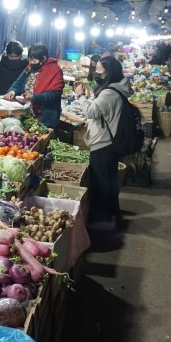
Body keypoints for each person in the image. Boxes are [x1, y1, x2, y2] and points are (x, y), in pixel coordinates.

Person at [72, 56, 130, 232]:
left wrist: (81, 96)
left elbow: (91, 111)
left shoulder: (110, 93)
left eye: (98, 69)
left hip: (103, 143)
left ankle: (102, 224)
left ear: (108, 72)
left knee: (101, 184)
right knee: (110, 182)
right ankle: (113, 217)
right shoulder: (115, 88)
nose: (95, 72)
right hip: (110, 142)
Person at [4, 43, 63, 127]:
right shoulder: (30, 67)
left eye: (34, 60)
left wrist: (33, 97)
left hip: (45, 116)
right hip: (28, 113)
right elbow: (20, 81)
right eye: (30, 60)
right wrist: (12, 91)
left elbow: (54, 95)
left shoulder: (55, 70)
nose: (31, 62)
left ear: (43, 59)